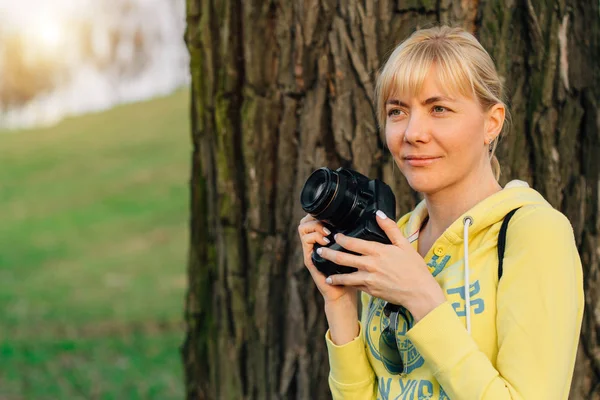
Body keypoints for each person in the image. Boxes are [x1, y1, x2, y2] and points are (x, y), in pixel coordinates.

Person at [297, 25, 584, 399]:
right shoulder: (395, 239)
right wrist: (339, 303)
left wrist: (422, 297)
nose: (413, 132)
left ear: (491, 122)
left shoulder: (534, 233)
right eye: (397, 111)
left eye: (439, 109)